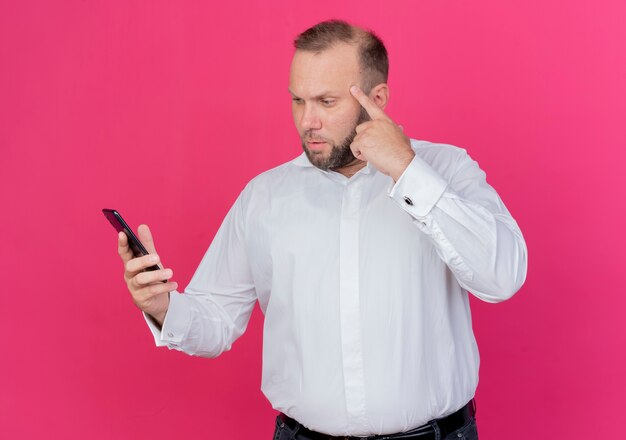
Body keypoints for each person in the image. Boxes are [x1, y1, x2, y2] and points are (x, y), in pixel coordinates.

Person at [117, 20, 527, 440]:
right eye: (298, 100)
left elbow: (502, 277)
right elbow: (216, 321)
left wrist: (407, 170)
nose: (307, 121)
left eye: (326, 101)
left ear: (377, 99)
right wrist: (163, 307)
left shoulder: (447, 169)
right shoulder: (265, 198)